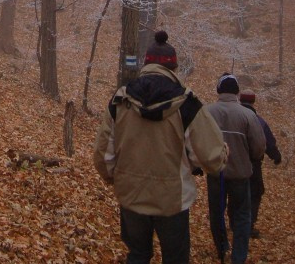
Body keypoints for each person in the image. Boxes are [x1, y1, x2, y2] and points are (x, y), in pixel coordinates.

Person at [93, 31, 228, 264]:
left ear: (145, 64)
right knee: (175, 258)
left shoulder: (120, 100)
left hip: (131, 195)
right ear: (173, 68)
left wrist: (115, 178)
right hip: (173, 201)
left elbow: (103, 155)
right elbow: (211, 157)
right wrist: (219, 154)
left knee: (137, 255)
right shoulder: (187, 104)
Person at [204, 73, 266, 264]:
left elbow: (197, 141)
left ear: (218, 90)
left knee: (216, 213)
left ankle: (222, 248)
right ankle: (238, 257)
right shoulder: (247, 115)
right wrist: (252, 159)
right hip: (240, 174)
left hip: (216, 173)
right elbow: (258, 147)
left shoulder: (207, 112)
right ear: (237, 92)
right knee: (242, 216)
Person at [239, 89, 282, 237]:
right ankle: (249, 225)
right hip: (253, 163)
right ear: (253, 101)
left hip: (231, 161)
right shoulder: (259, 120)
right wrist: (276, 156)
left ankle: (235, 222)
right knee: (256, 192)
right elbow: (268, 142)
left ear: (240, 100)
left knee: (235, 192)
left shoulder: (232, 116)